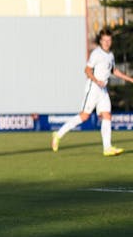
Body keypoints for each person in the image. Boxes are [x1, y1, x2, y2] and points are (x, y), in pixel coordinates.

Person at [52, 28, 133, 156]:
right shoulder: (96, 54)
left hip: (103, 90)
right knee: (84, 116)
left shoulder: (110, 55)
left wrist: (130, 79)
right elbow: (87, 70)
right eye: (104, 40)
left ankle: (107, 148)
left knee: (107, 115)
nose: (107, 42)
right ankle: (58, 134)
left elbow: (113, 71)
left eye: (109, 40)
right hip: (93, 88)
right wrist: (96, 80)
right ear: (100, 41)